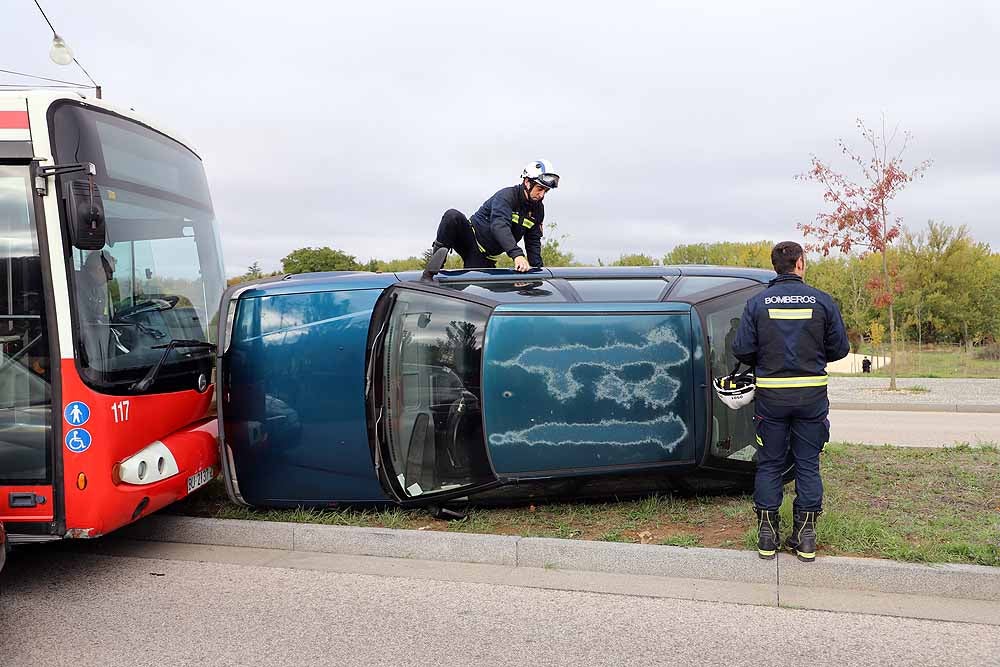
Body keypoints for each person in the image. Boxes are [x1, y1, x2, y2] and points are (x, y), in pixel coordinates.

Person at [732, 241, 849, 562]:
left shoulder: (757, 303)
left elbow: (741, 350)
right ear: (799, 264)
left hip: (772, 398)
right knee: (808, 464)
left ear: (776, 266)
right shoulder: (822, 301)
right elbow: (840, 349)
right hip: (811, 397)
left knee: (769, 464)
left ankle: (768, 537)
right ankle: (805, 538)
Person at [429, 160, 559, 272]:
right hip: (469, 239)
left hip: (483, 258)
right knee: (452, 216)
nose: (542, 195)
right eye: (539, 189)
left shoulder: (538, 210)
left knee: (479, 293)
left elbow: (533, 241)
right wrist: (517, 255)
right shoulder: (506, 196)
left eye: (546, 191)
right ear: (527, 182)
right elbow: (499, 226)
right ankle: (434, 269)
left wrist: (539, 272)